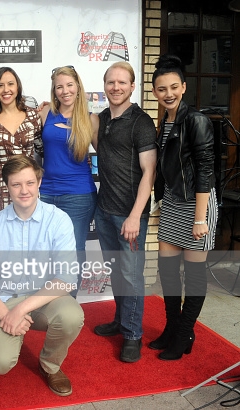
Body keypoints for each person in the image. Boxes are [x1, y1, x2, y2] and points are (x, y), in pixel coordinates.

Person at [0, 155, 84, 397]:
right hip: (5, 299)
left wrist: (21, 310)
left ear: (39, 182)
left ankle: (50, 365)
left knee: (71, 315)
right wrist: (7, 314)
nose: (24, 191)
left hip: (45, 298)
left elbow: (67, 277)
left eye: (30, 183)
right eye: (16, 184)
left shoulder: (59, 220)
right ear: (7, 186)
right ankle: (10, 334)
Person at [151, 54, 217, 361]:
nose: (168, 94)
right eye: (162, 89)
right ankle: (172, 327)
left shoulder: (196, 120)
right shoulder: (165, 121)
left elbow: (205, 170)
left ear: (184, 87)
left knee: (193, 274)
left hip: (196, 205)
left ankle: (185, 333)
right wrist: (159, 201)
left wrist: (200, 219)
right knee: (167, 271)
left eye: (174, 87)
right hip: (173, 203)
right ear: (155, 91)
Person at [91, 62, 157, 363]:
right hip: (104, 210)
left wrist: (135, 215)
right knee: (116, 271)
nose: (115, 87)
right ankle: (121, 321)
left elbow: (149, 172)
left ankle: (133, 335)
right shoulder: (102, 118)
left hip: (129, 215)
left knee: (131, 276)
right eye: (111, 82)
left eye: (122, 82)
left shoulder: (141, 121)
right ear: (104, 86)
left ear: (132, 86)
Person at [37, 66, 99, 297]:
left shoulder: (91, 119)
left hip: (78, 195)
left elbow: (107, 155)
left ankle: (68, 302)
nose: (65, 91)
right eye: (59, 87)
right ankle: (47, 302)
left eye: (69, 85)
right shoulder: (45, 113)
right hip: (46, 193)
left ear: (78, 87)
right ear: (54, 90)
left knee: (73, 250)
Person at [0, 67, 42, 221]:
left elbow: (42, 149)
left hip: (27, 182)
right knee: (0, 229)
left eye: (10, 84)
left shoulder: (33, 116)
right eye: (0, 85)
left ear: (18, 87)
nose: (6, 90)